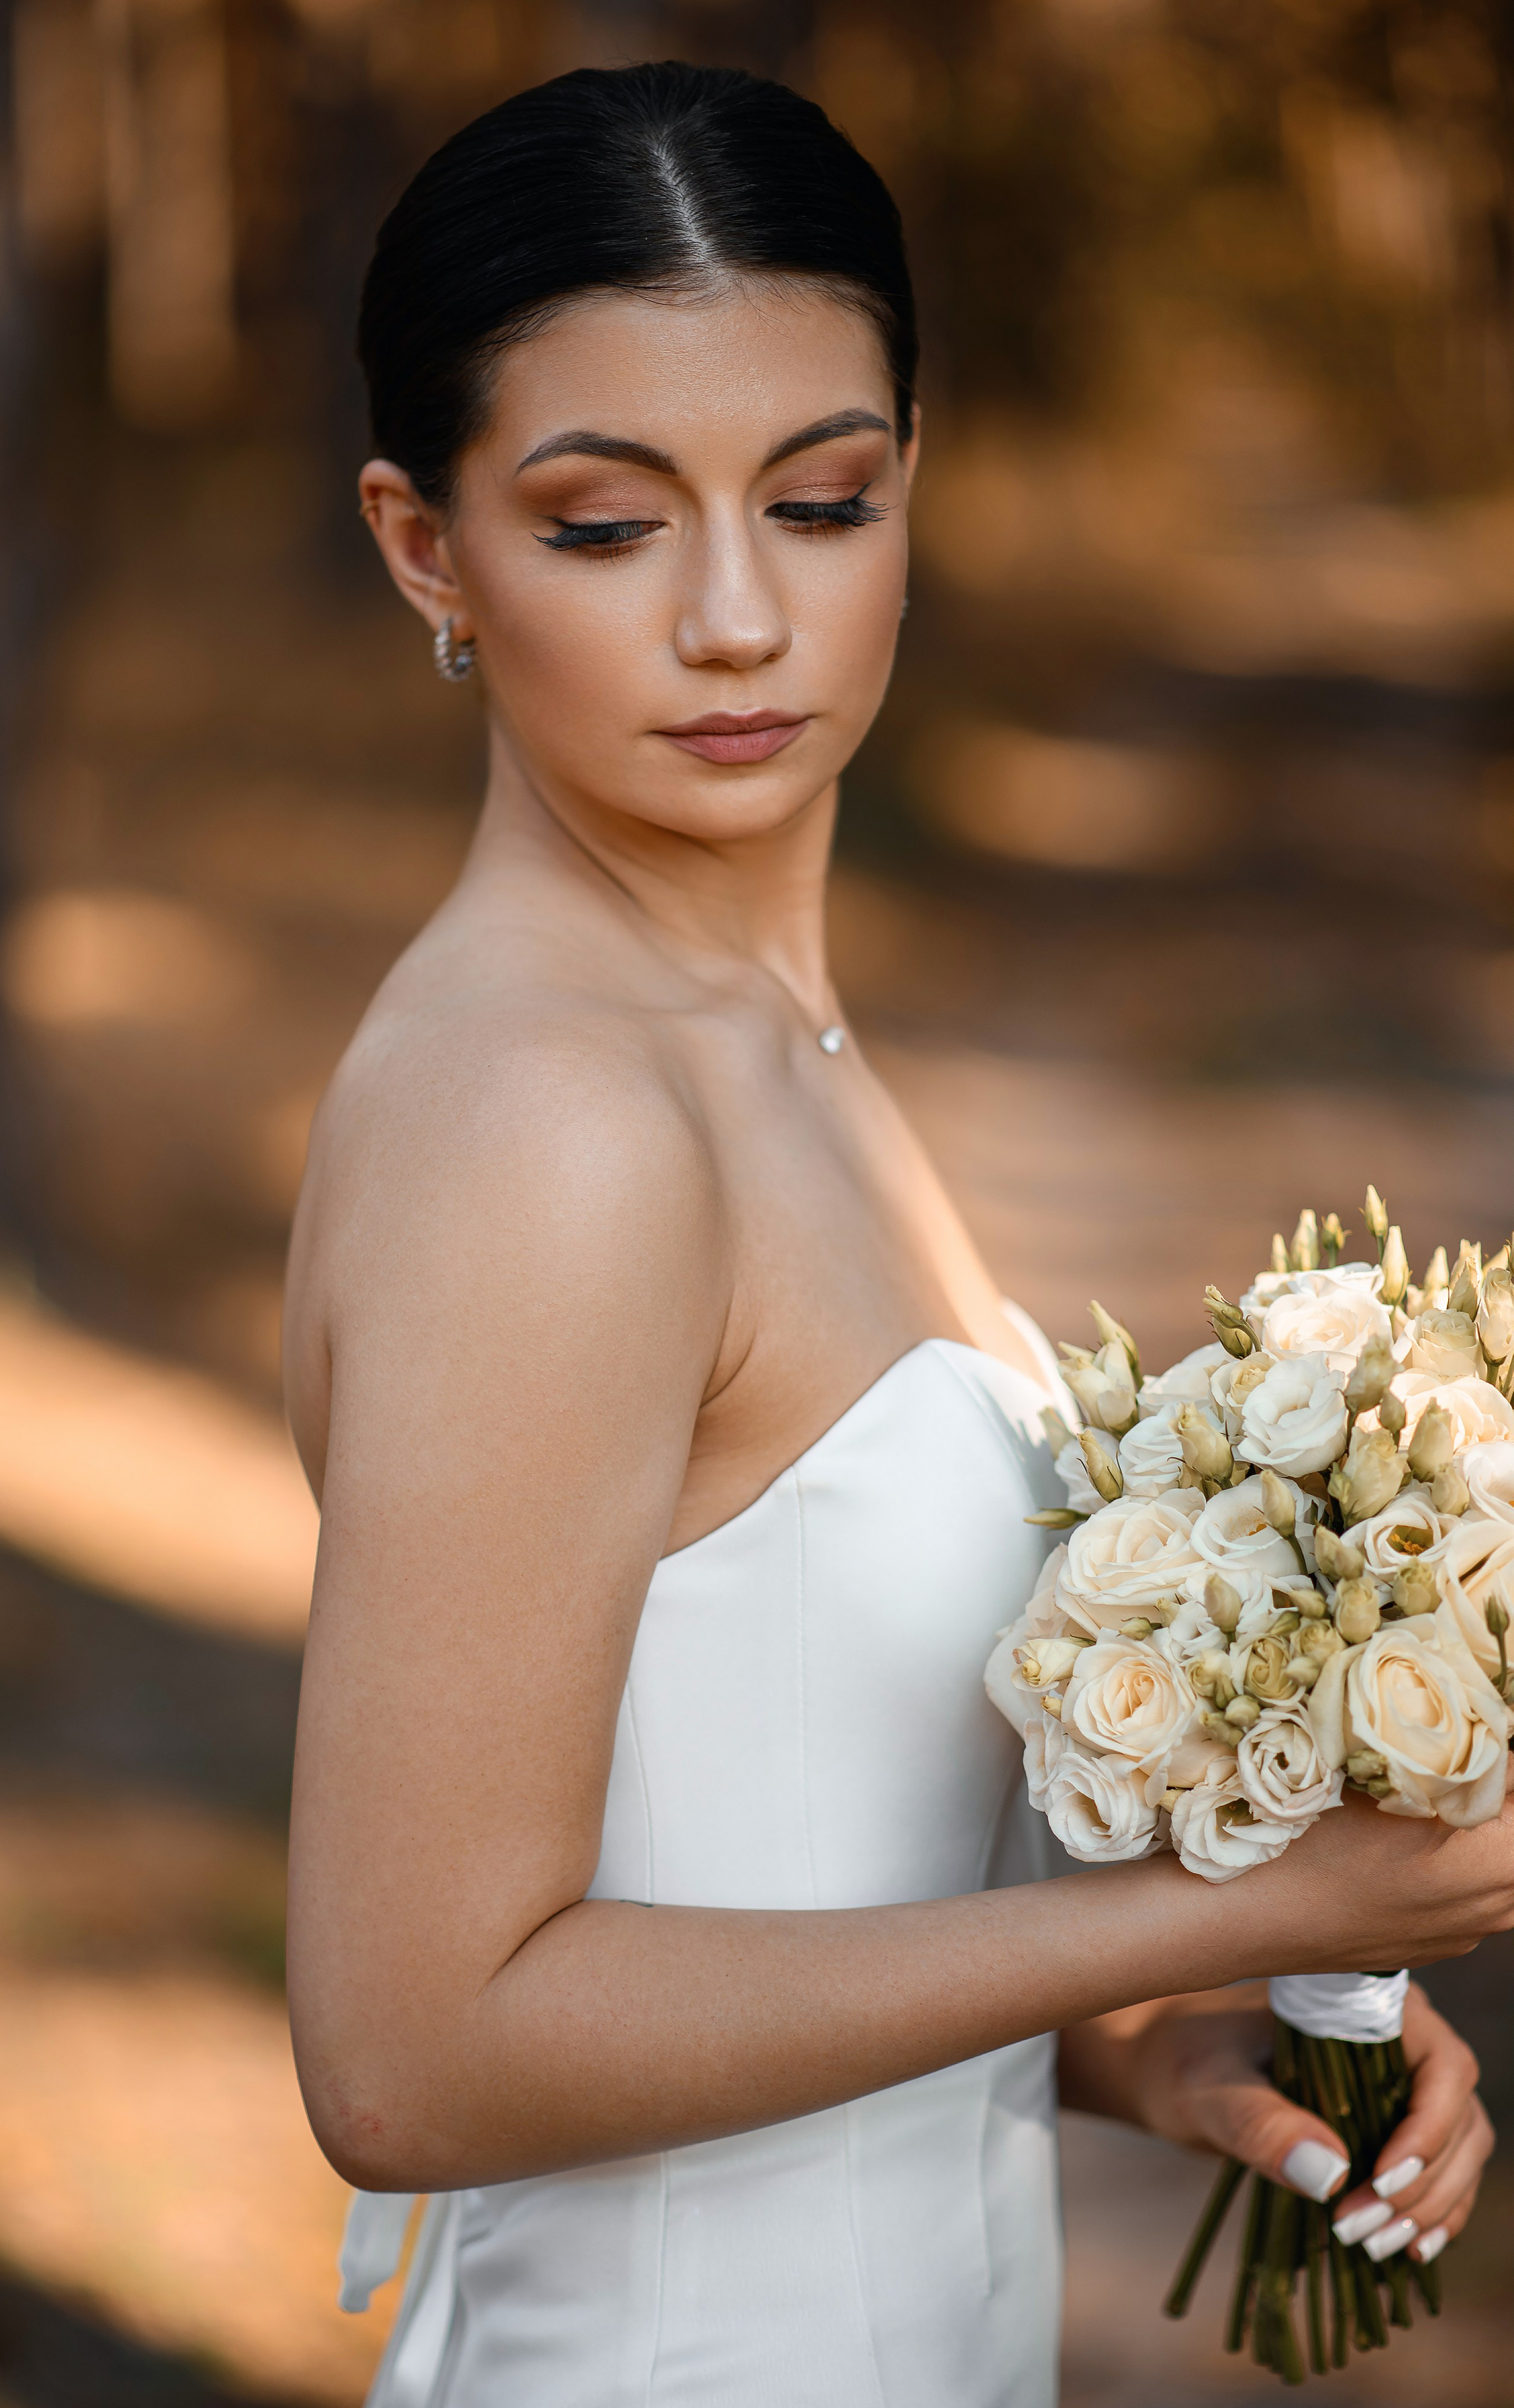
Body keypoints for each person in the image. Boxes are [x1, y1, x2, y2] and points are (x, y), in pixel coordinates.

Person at [282, 62, 1510, 2408]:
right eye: (604, 526)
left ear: (908, 491)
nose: (740, 620)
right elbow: (417, 2052)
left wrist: (1151, 2036)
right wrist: (1206, 1903)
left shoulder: (770, 1041)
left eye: (819, 500)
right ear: (426, 549)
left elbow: (747, 1846)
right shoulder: (553, 1118)